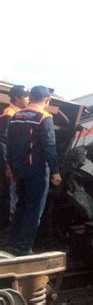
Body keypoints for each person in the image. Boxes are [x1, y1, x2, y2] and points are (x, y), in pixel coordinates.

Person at [6, 85, 61, 255]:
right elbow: (49, 146)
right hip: (36, 170)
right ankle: (24, 247)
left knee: (21, 205)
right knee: (34, 208)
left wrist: (11, 167)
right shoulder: (44, 117)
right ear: (46, 100)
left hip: (19, 169)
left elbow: (9, 143)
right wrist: (55, 171)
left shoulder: (16, 115)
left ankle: (12, 243)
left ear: (30, 97)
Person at [0, 85, 29, 230]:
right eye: (25, 95)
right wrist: (7, 166)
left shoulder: (20, 113)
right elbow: (3, 141)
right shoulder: (9, 114)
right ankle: (7, 232)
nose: (28, 98)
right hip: (10, 165)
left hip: (18, 163)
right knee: (10, 198)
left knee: (16, 197)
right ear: (17, 97)